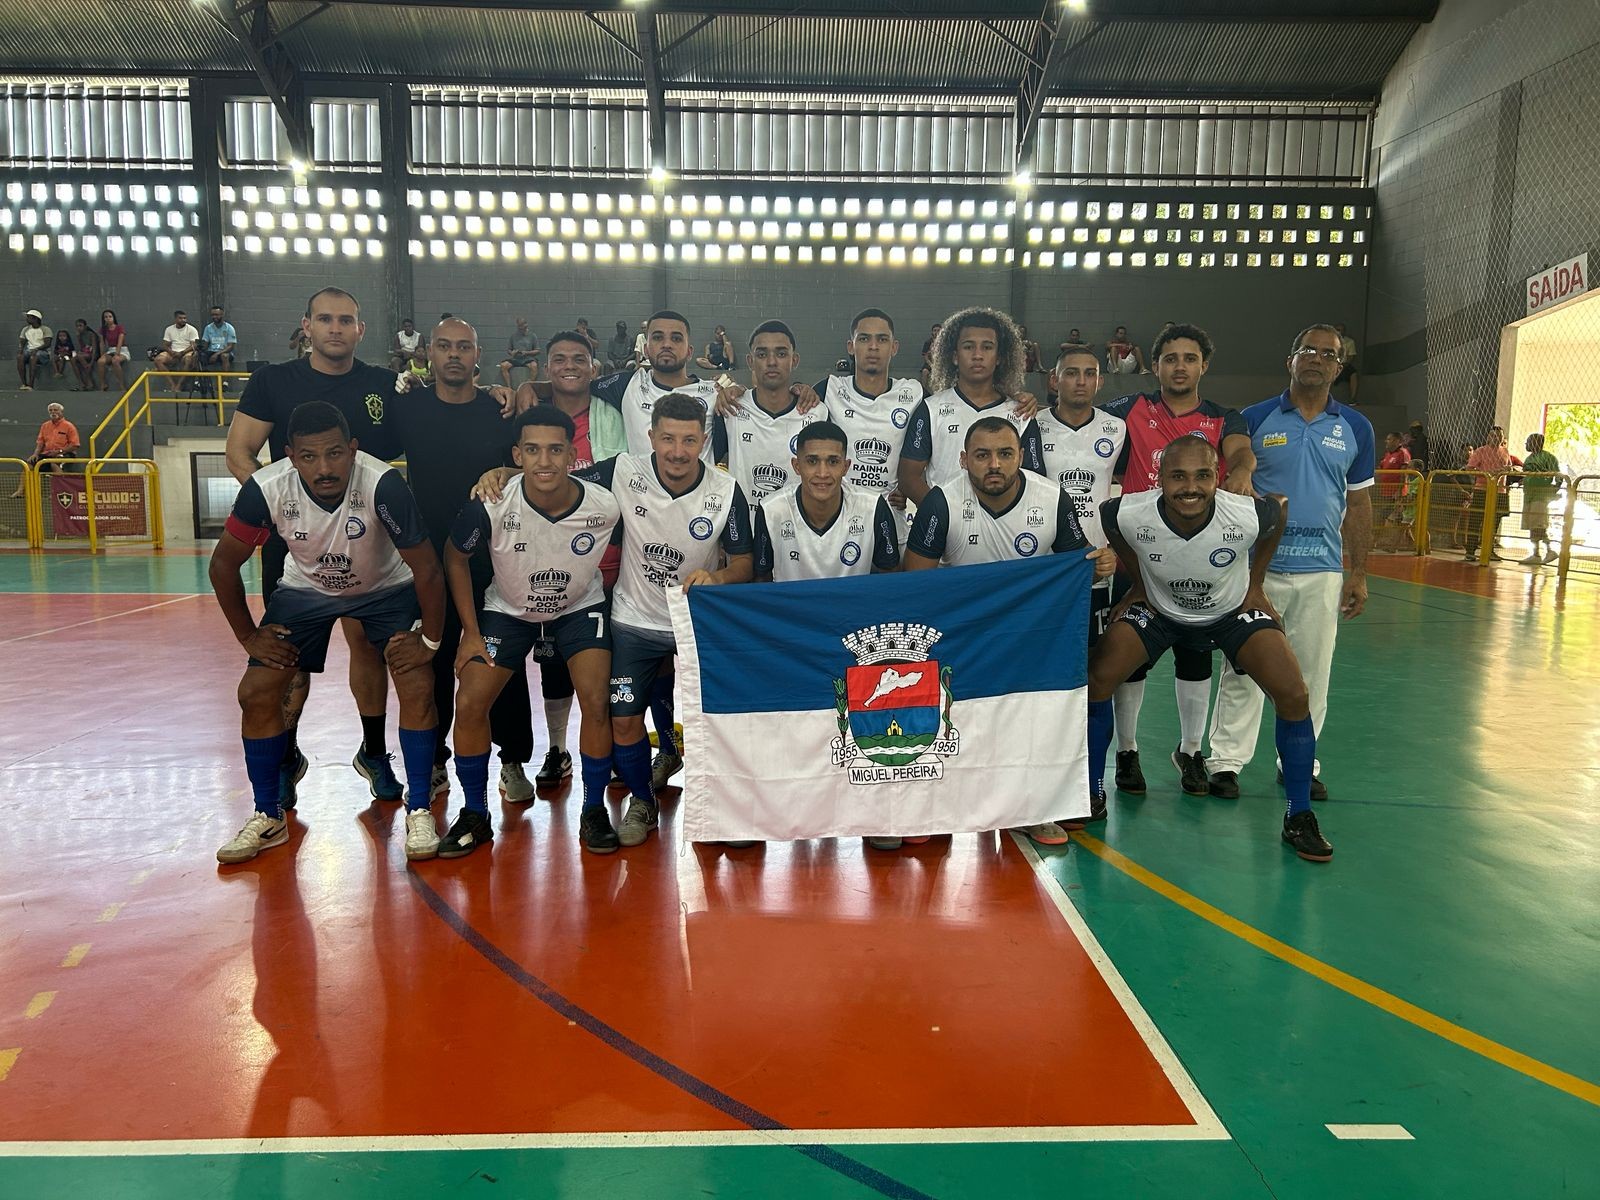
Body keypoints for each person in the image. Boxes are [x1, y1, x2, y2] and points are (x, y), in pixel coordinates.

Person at [210, 401, 446, 865]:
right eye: (310, 457)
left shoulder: (383, 484)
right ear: (290, 456)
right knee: (256, 691)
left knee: (417, 680)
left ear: (353, 450)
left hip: (385, 587)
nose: (324, 467)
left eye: (335, 454)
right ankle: (268, 814)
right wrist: (247, 637)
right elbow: (223, 564)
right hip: (306, 591)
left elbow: (428, 571)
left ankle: (419, 808)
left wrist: (429, 641)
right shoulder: (265, 488)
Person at [1090, 437, 1334, 862]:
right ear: (1160, 478)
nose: (1191, 487)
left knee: (1294, 694)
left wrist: (1256, 584)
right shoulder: (1130, 510)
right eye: (1178, 476)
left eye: (1203, 476)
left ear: (1217, 478)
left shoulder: (1244, 513)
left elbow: (1278, 508)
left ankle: (1299, 815)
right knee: (1096, 680)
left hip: (1229, 612)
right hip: (1162, 611)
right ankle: (1090, 791)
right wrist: (1139, 583)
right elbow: (1108, 518)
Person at [226, 287, 409, 811]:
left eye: (345, 320)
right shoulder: (272, 381)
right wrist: (279, 510)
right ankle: (286, 758)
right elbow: (239, 450)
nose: (335, 328)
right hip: (296, 547)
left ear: (361, 329)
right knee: (289, 659)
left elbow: (411, 439)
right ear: (306, 325)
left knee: (368, 649)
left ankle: (374, 752)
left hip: (368, 546)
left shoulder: (381, 384)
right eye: (325, 319)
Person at [903, 417, 1116, 845]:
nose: (994, 465)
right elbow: (916, 585)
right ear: (964, 459)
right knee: (943, 719)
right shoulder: (941, 501)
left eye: (1004, 454)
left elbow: (1076, 566)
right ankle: (939, 811)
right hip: (960, 638)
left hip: (1026, 640)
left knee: (1031, 720)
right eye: (982, 455)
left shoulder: (1051, 497)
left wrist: (1099, 566)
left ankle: (1031, 808)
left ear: (1021, 455)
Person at [1204, 324, 1374, 804]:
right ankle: (1225, 761)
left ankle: (1298, 761)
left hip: (1322, 571)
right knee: (1244, 666)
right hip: (1259, 570)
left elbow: (1358, 505)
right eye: (1307, 350)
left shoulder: (1356, 428)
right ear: (1290, 360)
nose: (1316, 359)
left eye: (1328, 354)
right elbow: (1232, 489)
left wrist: (1357, 571)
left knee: (1312, 674)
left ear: (1339, 367)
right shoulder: (1255, 419)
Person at [443, 407, 623, 857]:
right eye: (533, 450)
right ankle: (474, 813)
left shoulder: (605, 503)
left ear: (572, 454)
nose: (545, 461)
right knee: (468, 702)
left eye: (556, 450)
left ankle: (593, 810)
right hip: (508, 610)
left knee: (597, 701)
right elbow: (454, 556)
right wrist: (469, 631)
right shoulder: (491, 503)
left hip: (578, 607)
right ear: (517, 454)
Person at [579, 394, 754, 847]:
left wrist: (717, 576)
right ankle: (642, 800)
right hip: (634, 622)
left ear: (703, 441)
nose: (678, 451)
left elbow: (745, 565)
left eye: (690, 440)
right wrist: (503, 475)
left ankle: (721, 804)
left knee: (716, 720)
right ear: (652, 436)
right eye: (669, 439)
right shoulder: (623, 471)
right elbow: (559, 481)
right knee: (623, 720)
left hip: (696, 625)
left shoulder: (725, 490)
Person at [1100, 323, 1256, 798]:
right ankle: (1127, 751)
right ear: (1155, 366)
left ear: (1203, 366)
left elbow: (1241, 453)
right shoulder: (1132, 409)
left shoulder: (1223, 417)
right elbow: (1081, 416)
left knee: (1196, 655)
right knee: (1131, 660)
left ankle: (1191, 751)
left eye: (1190, 358)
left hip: (1199, 558)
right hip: (1138, 555)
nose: (1180, 366)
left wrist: (1245, 471)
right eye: (1171, 358)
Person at [388, 318, 537, 804]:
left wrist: (503, 469)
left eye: (464, 347)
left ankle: (511, 759)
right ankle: (433, 762)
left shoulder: (498, 412)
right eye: (444, 346)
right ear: (428, 353)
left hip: (492, 558)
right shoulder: (407, 408)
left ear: (479, 354)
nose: (454, 355)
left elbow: (528, 464)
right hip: (427, 561)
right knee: (429, 660)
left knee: (500, 657)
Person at [517, 331, 630, 788]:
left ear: (594, 368)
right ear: (545, 370)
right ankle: (559, 749)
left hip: (608, 560)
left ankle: (621, 750)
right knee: (553, 664)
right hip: (546, 562)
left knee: (610, 666)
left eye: (579, 359)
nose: (569, 366)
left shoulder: (615, 412)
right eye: (559, 359)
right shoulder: (530, 417)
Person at [898, 307, 1042, 506]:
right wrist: (941, 516)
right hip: (946, 531)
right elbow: (908, 478)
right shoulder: (930, 410)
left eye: (987, 347)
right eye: (968, 347)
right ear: (955, 356)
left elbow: (1034, 479)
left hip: (1004, 531)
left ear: (999, 357)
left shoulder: (1021, 412)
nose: (977, 355)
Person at [1037, 342, 1127, 658]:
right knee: (1045, 656)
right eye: (1072, 373)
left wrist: (1118, 547)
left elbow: (1132, 491)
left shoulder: (1116, 428)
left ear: (1100, 381)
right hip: (1043, 562)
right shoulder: (1032, 425)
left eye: (1090, 374)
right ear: (1054, 379)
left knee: (1091, 659)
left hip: (1096, 565)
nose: (1081, 381)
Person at [713, 320, 826, 505]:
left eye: (781, 354)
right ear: (750, 361)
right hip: (743, 530)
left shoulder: (818, 413)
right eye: (762, 354)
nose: (772, 362)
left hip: (796, 529)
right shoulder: (729, 409)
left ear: (794, 360)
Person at [1464, 426, 1516, 561]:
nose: (1496, 438)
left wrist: (1508, 470)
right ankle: (1470, 550)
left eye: (1499, 435)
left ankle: (1489, 549)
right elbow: (1470, 468)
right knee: (1476, 520)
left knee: (1495, 521)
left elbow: (1509, 466)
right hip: (1482, 490)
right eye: (1493, 435)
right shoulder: (1481, 451)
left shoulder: (1505, 451)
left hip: (1500, 490)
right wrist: (1486, 474)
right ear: (1488, 437)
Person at [10, 402, 80, 498]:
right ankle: (20, 491)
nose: (53, 412)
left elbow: (75, 445)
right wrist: (35, 454)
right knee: (28, 464)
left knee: (54, 463)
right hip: (48, 454)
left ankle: (59, 492)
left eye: (55, 410)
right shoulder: (45, 426)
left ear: (61, 412)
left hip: (65, 453)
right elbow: (40, 442)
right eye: (51, 410)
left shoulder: (69, 426)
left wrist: (60, 451)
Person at [1518, 433, 1563, 565]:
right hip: (1529, 495)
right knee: (1532, 524)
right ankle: (1536, 553)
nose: (1526, 444)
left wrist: (1555, 488)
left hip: (1540, 496)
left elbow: (1557, 475)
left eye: (1529, 442)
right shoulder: (1528, 459)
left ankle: (1549, 550)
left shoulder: (1549, 458)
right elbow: (1528, 475)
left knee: (1538, 524)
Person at [1376, 431, 1415, 551]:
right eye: (1387, 439)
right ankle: (1414, 544)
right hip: (1385, 492)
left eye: (1390, 439)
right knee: (1400, 521)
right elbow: (1381, 468)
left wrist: (1400, 491)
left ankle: (1380, 543)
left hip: (1397, 493)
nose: (1387, 442)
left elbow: (1404, 474)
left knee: (1395, 519)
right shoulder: (1388, 454)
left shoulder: (1403, 454)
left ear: (1398, 441)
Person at [154, 310, 200, 394]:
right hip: (173, 352)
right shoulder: (169, 329)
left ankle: (179, 385)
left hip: (186, 352)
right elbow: (165, 345)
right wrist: (171, 352)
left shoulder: (192, 329)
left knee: (189, 360)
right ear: (175, 319)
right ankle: (172, 384)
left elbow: (194, 345)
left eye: (185, 318)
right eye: (180, 318)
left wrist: (182, 353)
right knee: (158, 360)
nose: (183, 320)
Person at [198, 305, 238, 377]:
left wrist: (217, 354)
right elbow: (205, 344)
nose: (214, 317)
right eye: (212, 315)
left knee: (224, 356)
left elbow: (231, 346)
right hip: (211, 351)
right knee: (197, 355)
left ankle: (225, 382)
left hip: (224, 352)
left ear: (222, 315)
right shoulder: (208, 328)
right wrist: (201, 347)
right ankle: (199, 381)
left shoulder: (229, 328)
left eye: (216, 315)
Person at [499, 316, 539, 387]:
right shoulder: (513, 336)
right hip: (516, 358)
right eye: (519, 326)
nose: (520, 328)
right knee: (503, 365)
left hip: (528, 358)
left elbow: (537, 351)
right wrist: (512, 353)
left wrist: (527, 352)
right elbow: (509, 349)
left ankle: (528, 385)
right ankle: (509, 387)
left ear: (526, 324)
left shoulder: (532, 336)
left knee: (534, 366)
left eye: (521, 325)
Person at [16, 309, 51, 390]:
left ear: (35, 318)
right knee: (20, 357)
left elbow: (47, 344)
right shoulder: (25, 329)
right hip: (30, 351)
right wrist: (20, 349)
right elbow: (22, 342)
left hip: (43, 353)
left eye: (29, 317)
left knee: (33, 356)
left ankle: (31, 385)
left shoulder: (45, 329)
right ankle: (24, 384)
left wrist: (37, 349)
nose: (27, 319)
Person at [97, 308, 129, 392]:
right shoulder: (103, 330)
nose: (108, 318)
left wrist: (117, 354)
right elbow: (102, 343)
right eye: (106, 317)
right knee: (100, 362)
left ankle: (121, 385)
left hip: (122, 350)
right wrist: (102, 355)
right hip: (111, 350)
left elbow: (120, 342)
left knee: (115, 361)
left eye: (110, 316)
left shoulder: (119, 328)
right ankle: (103, 384)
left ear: (113, 318)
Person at [70, 319, 101, 391]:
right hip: (85, 353)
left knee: (80, 356)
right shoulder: (80, 335)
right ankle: (81, 382)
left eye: (80, 326)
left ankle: (89, 381)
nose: (78, 328)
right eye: (77, 326)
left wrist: (91, 363)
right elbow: (82, 347)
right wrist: (78, 338)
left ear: (85, 326)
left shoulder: (91, 334)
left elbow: (94, 349)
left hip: (93, 354)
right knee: (73, 359)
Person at [1333, 323, 1359, 402]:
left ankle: (1352, 399)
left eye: (1340, 330)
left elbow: (1351, 356)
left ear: (1344, 331)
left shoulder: (1349, 342)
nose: (1338, 332)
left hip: (1344, 364)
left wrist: (1344, 365)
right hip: (1332, 364)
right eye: (1337, 329)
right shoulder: (1329, 340)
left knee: (1353, 374)